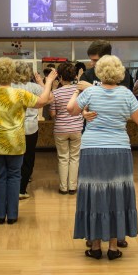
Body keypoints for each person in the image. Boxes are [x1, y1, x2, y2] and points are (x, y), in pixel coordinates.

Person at [68, 55, 138, 260]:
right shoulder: (126, 94)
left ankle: (95, 246)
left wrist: (75, 91)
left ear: (99, 72)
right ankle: (113, 247)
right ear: (120, 73)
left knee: (94, 193)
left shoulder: (90, 92)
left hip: (92, 148)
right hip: (118, 149)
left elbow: (71, 110)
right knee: (117, 194)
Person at [0, 57, 55, 224]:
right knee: (15, 176)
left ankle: (0, 216)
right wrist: (49, 81)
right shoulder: (21, 94)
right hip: (16, 141)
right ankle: (13, 216)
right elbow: (45, 100)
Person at [50, 62, 85, 195]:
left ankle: (63, 187)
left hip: (60, 129)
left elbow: (52, 114)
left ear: (59, 76)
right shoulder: (79, 91)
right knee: (75, 157)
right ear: (74, 75)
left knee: (63, 158)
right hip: (77, 128)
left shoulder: (56, 93)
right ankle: (72, 187)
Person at [12, 61, 44, 199]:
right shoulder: (34, 87)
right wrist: (41, 82)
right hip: (30, 127)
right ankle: (22, 189)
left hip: (12, 127)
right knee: (28, 158)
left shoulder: (9, 87)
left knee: (14, 158)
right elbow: (49, 97)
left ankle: (12, 188)